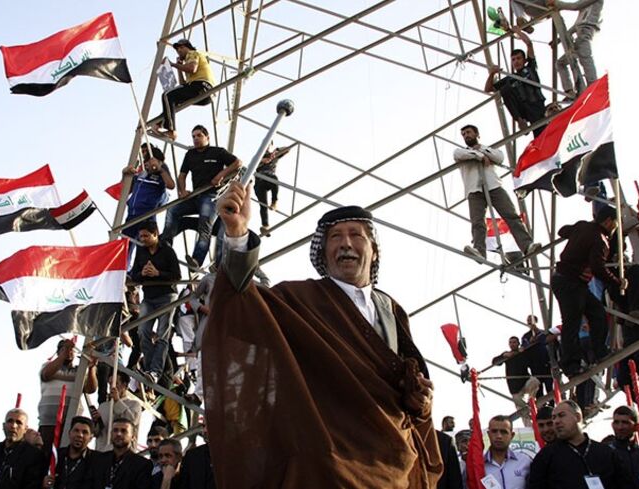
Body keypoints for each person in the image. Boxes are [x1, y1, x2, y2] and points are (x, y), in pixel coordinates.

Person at [206, 182, 443, 487]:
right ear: (323, 250)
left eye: (356, 235)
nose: (346, 244)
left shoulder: (391, 309)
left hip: (393, 460)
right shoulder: (297, 298)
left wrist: (420, 399)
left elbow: (406, 383)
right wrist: (237, 233)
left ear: (372, 250)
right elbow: (242, 305)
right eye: (335, 237)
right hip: (328, 463)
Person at [551, 205, 622, 376]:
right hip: (571, 282)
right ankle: (571, 365)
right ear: (608, 221)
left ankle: (599, 352)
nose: (616, 227)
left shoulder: (583, 226)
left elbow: (563, 231)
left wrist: (578, 233)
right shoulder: (600, 240)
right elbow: (598, 268)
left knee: (597, 313)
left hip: (567, 280)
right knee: (572, 323)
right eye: (616, 223)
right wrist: (617, 282)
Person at [454, 125, 539, 262]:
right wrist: (479, 156)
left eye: (468, 132)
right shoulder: (462, 152)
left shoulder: (488, 149)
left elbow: (499, 157)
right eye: (463, 134)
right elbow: (458, 154)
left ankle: (527, 245)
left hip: (494, 187)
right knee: (477, 221)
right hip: (474, 190)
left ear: (477, 134)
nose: (466, 136)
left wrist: (481, 151)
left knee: (511, 216)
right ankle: (479, 251)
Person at [161, 125, 242, 268]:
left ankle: (197, 260)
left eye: (199, 135)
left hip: (210, 196)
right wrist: (182, 190)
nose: (195, 139)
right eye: (193, 136)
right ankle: (165, 245)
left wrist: (220, 175)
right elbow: (182, 176)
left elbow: (238, 163)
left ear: (207, 137)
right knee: (173, 209)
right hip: (195, 195)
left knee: (204, 226)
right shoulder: (190, 155)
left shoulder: (218, 152)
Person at [528, 400, 634, 488]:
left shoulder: (607, 453)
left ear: (578, 417)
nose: (556, 421)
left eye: (561, 416)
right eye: (554, 418)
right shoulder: (545, 457)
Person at [130, 220, 181, 383]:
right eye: (141, 236)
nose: (143, 239)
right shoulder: (141, 251)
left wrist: (158, 273)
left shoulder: (167, 251)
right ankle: (150, 368)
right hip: (149, 298)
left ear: (155, 234)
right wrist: (143, 274)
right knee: (142, 332)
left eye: (146, 236)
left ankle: (156, 371)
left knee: (162, 334)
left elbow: (176, 275)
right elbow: (134, 275)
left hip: (167, 296)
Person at [38, 338, 98, 452]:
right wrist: (64, 353)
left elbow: (91, 389)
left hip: (71, 425)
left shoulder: (79, 372)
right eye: (65, 349)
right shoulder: (48, 365)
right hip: (49, 423)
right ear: (59, 351)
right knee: (45, 456)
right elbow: (46, 375)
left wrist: (91, 369)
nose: (69, 352)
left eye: (72, 350)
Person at [484, 28, 546, 135]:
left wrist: (517, 31)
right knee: (505, 89)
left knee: (540, 131)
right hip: (523, 108)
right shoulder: (509, 78)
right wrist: (492, 73)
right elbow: (488, 89)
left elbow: (529, 44)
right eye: (513, 59)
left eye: (518, 58)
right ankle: (519, 121)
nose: (516, 61)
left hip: (536, 103)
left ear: (524, 60)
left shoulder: (530, 68)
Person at [155, 38, 216, 140]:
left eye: (180, 49)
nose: (179, 52)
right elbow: (183, 84)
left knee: (167, 95)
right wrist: (179, 67)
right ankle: (159, 123)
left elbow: (192, 69)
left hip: (202, 86)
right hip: (205, 94)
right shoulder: (188, 62)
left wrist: (173, 65)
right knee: (174, 101)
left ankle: (171, 130)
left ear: (186, 47)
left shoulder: (192, 54)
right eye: (177, 50)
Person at [0, 408, 47, 489]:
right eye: (10, 421)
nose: (13, 426)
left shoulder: (34, 456)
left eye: (19, 423)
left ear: (25, 429)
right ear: (4, 425)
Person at [548, 0, 604, 98]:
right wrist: (558, 40)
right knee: (560, 63)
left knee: (585, 58)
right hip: (581, 32)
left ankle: (593, 86)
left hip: (585, 31)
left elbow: (575, 6)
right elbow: (576, 25)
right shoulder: (586, 6)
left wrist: (556, 3)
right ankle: (570, 91)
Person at [123, 144, 176, 240]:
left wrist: (160, 169)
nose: (147, 164)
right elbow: (125, 191)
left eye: (150, 161)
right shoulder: (140, 175)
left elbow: (171, 185)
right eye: (146, 161)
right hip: (131, 217)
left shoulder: (160, 176)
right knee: (125, 247)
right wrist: (124, 174)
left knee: (147, 249)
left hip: (147, 218)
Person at [492, 336, 540, 427]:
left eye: (514, 342)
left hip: (525, 382)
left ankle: (531, 400)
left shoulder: (522, 353)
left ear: (518, 343)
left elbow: (532, 361)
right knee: (521, 410)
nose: (512, 344)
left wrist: (524, 351)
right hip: (514, 388)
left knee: (534, 381)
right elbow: (494, 362)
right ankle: (530, 428)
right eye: (511, 342)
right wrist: (503, 356)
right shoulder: (507, 355)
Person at [43, 416, 101, 489]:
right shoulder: (55, 456)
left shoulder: (97, 460)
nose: (80, 435)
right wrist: (43, 483)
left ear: (91, 438)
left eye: (85, 432)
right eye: (76, 430)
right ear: (69, 433)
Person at [605, 405, 639, 487]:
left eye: (625, 423)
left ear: (637, 427)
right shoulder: (605, 453)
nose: (620, 427)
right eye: (616, 422)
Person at [94, 372, 143, 451]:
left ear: (125, 385)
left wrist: (117, 401)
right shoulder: (103, 406)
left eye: (116, 383)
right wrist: (96, 422)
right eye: (110, 383)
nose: (112, 387)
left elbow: (131, 421)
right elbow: (96, 433)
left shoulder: (134, 405)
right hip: (102, 452)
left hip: (124, 454)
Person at [479, 415, 531, 489]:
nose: (499, 436)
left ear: (512, 435)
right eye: (494, 431)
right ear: (488, 434)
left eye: (504, 432)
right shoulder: (478, 465)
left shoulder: (525, 461)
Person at [100, 418, 153, 489]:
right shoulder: (99, 459)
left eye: (123, 431)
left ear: (133, 437)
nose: (118, 434)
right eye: (115, 430)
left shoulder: (142, 465)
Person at [254, 141, 292, 236]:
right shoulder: (258, 156)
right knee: (263, 205)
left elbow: (288, 149)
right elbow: (252, 164)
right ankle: (265, 225)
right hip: (259, 181)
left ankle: (274, 201)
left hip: (269, 177)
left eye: (268, 144)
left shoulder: (274, 154)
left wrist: (278, 150)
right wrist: (262, 160)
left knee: (275, 180)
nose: (266, 146)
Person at [522, 315, 553, 397]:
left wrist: (536, 335)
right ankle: (541, 408)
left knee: (549, 387)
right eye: (528, 320)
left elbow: (545, 340)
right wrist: (530, 342)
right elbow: (524, 347)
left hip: (545, 363)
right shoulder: (526, 336)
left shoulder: (543, 333)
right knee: (538, 389)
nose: (529, 322)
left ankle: (552, 404)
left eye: (531, 320)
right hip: (534, 365)